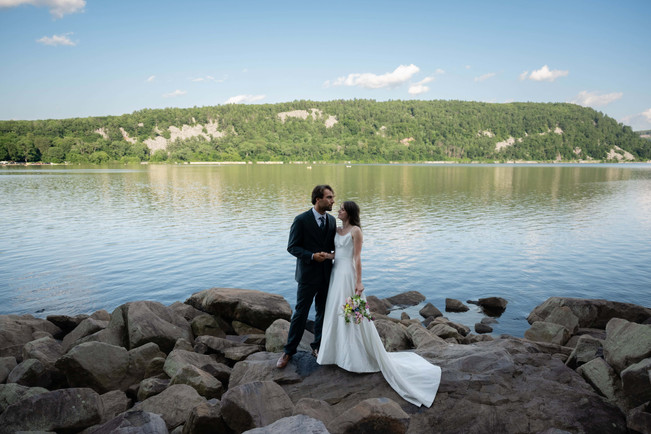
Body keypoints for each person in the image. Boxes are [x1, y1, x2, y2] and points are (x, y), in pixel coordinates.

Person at [316, 201, 441, 407]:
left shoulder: (356, 231)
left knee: (352, 317)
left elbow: (356, 258)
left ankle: (355, 356)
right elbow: (338, 254)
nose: (338, 210)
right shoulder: (337, 229)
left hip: (348, 276)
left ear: (349, 212)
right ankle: (335, 353)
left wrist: (358, 282)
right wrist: (326, 256)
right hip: (335, 276)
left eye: (342, 209)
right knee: (335, 313)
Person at [277, 185, 336, 369]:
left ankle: (317, 346)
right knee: (300, 314)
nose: (332, 201)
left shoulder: (332, 221)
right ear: (317, 199)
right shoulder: (301, 220)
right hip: (307, 276)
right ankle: (289, 351)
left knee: (323, 313)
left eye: (333, 197)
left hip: (327, 276)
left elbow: (334, 246)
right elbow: (292, 247)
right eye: (329, 197)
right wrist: (311, 256)